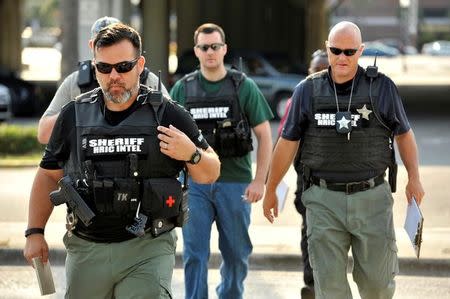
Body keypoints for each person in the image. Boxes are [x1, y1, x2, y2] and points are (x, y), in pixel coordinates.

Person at [23, 23, 220, 298]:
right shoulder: (74, 115)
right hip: (87, 247)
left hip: (147, 247)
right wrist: (34, 232)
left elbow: (210, 171)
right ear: (95, 68)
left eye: (123, 67)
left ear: (140, 65)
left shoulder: (168, 115)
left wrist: (192, 153)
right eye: (104, 68)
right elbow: (47, 175)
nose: (114, 76)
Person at [263, 21, 424, 299]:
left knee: (378, 285)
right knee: (330, 288)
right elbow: (287, 143)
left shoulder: (382, 88)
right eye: (336, 50)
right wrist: (271, 188)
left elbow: (404, 135)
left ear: (360, 51)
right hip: (324, 200)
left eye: (349, 52)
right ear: (327, 48)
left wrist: (415, 178)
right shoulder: (307, 90)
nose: (341, 58)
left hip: (372, 198)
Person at [170, 23, 273, 299]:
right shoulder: (183, 89)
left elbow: (265, 135)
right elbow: (167, 139)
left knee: (237, 255)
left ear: (224, 49)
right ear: (197, 51)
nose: (210, 52)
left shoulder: (243, 87)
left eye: (215, 46)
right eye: (204, 47)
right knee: (194, 255)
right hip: (194, 186)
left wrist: (259, 181)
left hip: (235, 184)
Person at [37, 16, 170, 144]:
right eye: (103, 43)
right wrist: (82, 108)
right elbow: (44, 134)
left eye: (123, 67)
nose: (114, 75)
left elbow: (172, 125)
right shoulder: (77, 82)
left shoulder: (146, 79)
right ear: (92, 46)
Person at [277, 49, 328, 299]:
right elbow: (283, 144)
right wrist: (273, 182)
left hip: (336, 181)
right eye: (316, 69)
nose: (320, 73)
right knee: (309, 233)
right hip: (307, 182)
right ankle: (311, 285)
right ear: (309, 71)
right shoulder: (297, 99)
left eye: (324, 69)